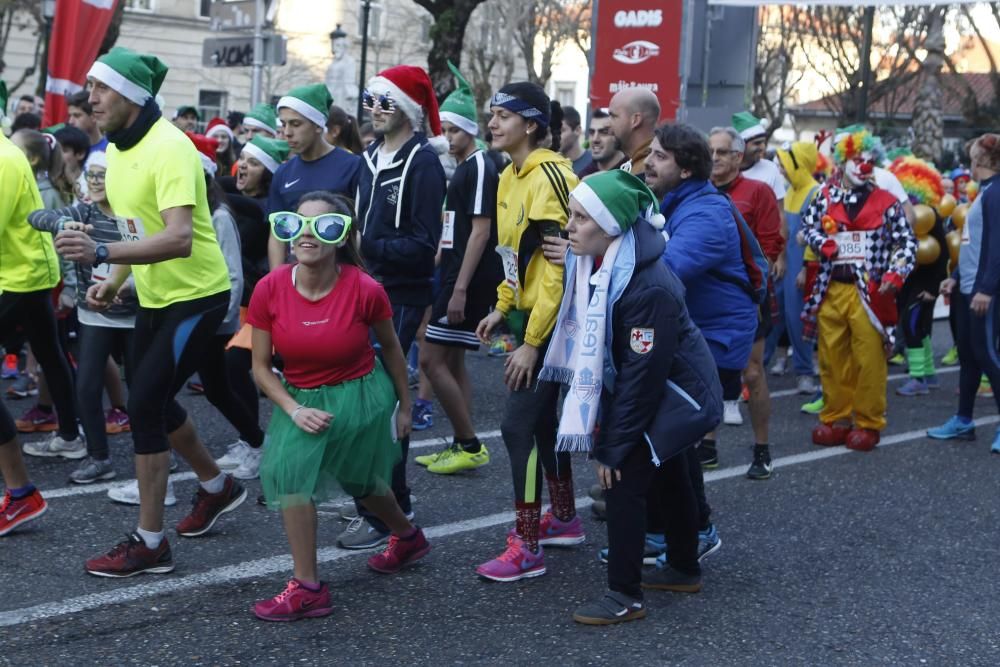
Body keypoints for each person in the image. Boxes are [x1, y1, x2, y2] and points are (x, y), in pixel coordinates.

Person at [57, 47, 246, 577]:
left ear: (134, 97)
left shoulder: (171, 148)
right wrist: (111, 279)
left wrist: (100, 254)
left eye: (101, 89)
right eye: (89, 88)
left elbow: (180, 238)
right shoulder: (116, 149)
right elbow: (133, 227)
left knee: (143, 405)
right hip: (156, 295)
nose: (89, 98)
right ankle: (217, 485)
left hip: (198, 295)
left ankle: (150, 542)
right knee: (155, 403)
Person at [536, 170, 721, 624]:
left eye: (581, 219)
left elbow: (643, 377)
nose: (569, 227)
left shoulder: (646, 285)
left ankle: (624, 594)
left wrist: (613, 448)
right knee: (670, 470)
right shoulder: (605, 264)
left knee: (622, 480)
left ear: (612, 227)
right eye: (571, 216)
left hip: (681, 394)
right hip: (667, 389)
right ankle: (682, 566)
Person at [249, 191, 429, 621]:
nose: (306, 235)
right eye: (297, 224)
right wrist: (293, 409)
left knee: (346, 478)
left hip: (360, 393)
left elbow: (392, 350)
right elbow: (259, 367)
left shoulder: (366, 289)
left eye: (322, 226)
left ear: (342, 236)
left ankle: (308, 589)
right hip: (300, 395)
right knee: (320, 475)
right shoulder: (269, 288)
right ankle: (407, 538)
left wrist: (405, 407)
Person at [473, 81, 582, 582]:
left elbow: (561, 267)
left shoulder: (550, 175)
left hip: (554, 324)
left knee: (518, 427)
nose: (492, 122)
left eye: (503, 115)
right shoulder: (507, 175)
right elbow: (517, 257)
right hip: (528, 318)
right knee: (538, 424)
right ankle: (563, 518)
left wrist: (535, 344)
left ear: (533, 124)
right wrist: (501, 307)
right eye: (491, 114)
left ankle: (528, 545)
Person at [337, 65, 446, 550]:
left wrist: (368, 244)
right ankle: (380, 499)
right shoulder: (368, 158)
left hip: (400, 294)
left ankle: (391, 507)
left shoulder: (422, 163)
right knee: (365, 394)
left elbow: (423, 246)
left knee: (383, 400)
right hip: (364, 286)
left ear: (406, 108)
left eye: (384, 102)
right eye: (369, 101)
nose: (375, 111)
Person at [645, 123, 755, 558]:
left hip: (716, 336)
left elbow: (664, 272)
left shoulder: (706, 214)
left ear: (687, 169)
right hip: (695, 332)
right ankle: (676, 532)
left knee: (667, 435)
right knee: (670, 440)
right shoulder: (676, 201)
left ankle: (687, 534)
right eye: (650, 153)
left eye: (659, 156)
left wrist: (598, 254)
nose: (649, 162)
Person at [26, 150, 139, 484]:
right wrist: (63, 223)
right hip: (94, 315)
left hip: (136, 315)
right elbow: (36, 217)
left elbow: (153, 258)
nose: (96, 182)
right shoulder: (84, 210)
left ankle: (157, 451)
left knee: (145, 388)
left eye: (103, 175)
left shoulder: (133, 216)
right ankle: (99, 457)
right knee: (87, 387)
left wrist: (127, 286)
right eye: (92, 176)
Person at [802, 127, 916, 452]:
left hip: (869, 292)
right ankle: (836, 416)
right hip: (831, 288)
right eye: (856, 159)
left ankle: (867, 422)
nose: (863, 165)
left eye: (868, 160)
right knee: (831, 356)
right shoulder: (824, 195)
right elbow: (808, 226)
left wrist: (897, 272)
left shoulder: (887, 202)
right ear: (843, 160)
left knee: (869, 359)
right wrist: (821, 240)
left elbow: (907, 242)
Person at [413, 62, 499, 475]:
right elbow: (458, 225)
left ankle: (468, 443)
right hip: (451, 270)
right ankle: (464, 443)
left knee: (430, 359)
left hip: (468, 278)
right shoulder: (464, 166)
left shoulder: (480, 165)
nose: (448, 137)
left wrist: (461, 287)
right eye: (444, 130)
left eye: (455, 131)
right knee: (453, 361)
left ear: (472, 130)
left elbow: (482, 232)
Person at [708, 127, 784, 479]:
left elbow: (769, 247)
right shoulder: (698, 191)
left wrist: (753, 292)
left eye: (722, 152)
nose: (714, 158)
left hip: (746, 299)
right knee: (704, 371)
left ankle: (761, 450)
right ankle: (706, 445)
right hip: (706, 300)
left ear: (738, 157)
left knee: (751, 373)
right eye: (711, 151)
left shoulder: (759, 191)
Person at [0, 89, 57, 536]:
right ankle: (21, 494)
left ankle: (21, 494)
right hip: (19, 274)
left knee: (56, 362)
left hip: (18, 277)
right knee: (55, 362)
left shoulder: (2, 158)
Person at [7, 128, 83, 450]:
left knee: (54, 354)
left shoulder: (6, 162)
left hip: (22, 277)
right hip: (29, 275)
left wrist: (72, 286)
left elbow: (59, 234)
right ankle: (69, 436)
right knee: (51, 355)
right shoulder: (12, 159)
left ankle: (70, 435)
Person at [927, 134, 1000, 452]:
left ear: (983, 160)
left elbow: (997, 246)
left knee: (987, 356)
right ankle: (963, 421)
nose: (968, 158)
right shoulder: (984, 192)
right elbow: (974, 243)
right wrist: (955, 277)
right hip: (969, 287)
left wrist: (986, 289)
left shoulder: (996, 193)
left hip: (985, 292)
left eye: (972, 154)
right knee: (970, 357)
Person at [267, 84, 361, 269]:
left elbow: (361, 230)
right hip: (296, 277)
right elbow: (276, 235)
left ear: (318, 125)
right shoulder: (283, 172)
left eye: (295, 124)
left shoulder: (353, 166)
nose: (287, 132)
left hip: (340, 276)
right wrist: (277, 284)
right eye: (284, 124)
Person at [889, 157, 948, 397]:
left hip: (925, 284)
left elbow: (942, 253)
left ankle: (918, 378)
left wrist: (934, 288)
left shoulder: (929, 215)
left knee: (913, 326)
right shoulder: (903, 215)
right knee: (919, 327)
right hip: (909, 281)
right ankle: (929, 374)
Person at [774, 141, 821, 394]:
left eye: (784, 164)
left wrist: (806, 268)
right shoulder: (791, 190)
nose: (780, 169)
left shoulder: (815, 193)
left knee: (798, 318)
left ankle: (805, 373)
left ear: (797, 164)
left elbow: (816, 233)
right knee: (776, 315)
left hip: (801, 266)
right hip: (787, 264)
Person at [607, 88, 659, 178]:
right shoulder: (636, 164)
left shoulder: (649, 171)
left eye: (613, 116)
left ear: (635, 120)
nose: (607, 124)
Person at [578, 108, 626, 177]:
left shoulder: (632, 171)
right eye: (592, 132)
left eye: (604, 132)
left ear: (617, 135)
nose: (595, 139)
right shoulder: (584, 176)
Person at [66, 90, 109, 155]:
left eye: (77, 116)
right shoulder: (67, 151)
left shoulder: (110, 149)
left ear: (94, 117)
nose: (70, 121)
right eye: (70, 116)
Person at [559, 105, 593, 176]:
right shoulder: (550, 163)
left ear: (577, 130)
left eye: (562, 130)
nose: (556, 136)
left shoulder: (594, 163)